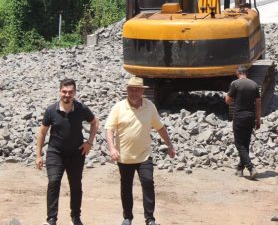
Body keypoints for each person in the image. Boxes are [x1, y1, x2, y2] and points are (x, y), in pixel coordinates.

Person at [105, 76, 176, 225]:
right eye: (131, 89)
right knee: (126, 187)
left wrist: (169, 145)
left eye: (137, 90)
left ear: (142, 92)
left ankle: (150, 219)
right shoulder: (118, 107)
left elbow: (160, 127)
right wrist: (112, 148)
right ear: (127, 90)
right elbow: (109, 129)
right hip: (124, 156)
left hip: (144, 155)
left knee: (148, 182)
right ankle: (127, 217)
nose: (134, 92)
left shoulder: (149, 106)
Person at [36, 78, 99, 225]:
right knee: (54, 182)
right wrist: (38, 155)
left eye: (70, 92)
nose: (67, 95)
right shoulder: (51, 110)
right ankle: (51, 219)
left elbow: (95, 123)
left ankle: (75, 217)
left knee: (76, 185)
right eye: (64, 92)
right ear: (59, 91)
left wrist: (89, 142)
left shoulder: (81, 108)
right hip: (55, 152)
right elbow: (42, 133)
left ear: (75, 93)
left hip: (77, 153)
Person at [225, 66, 261, 179]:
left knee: (239, 144)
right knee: (245, 143)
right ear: (247, 73)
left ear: (238, 73)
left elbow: (228, 101)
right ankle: (240, 168)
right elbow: (258, 103)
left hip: (239, 117)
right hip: (251, 117)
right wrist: (258, 119)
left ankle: (251, 167)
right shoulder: (254, 84)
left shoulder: (235, 84)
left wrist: (227, 96)